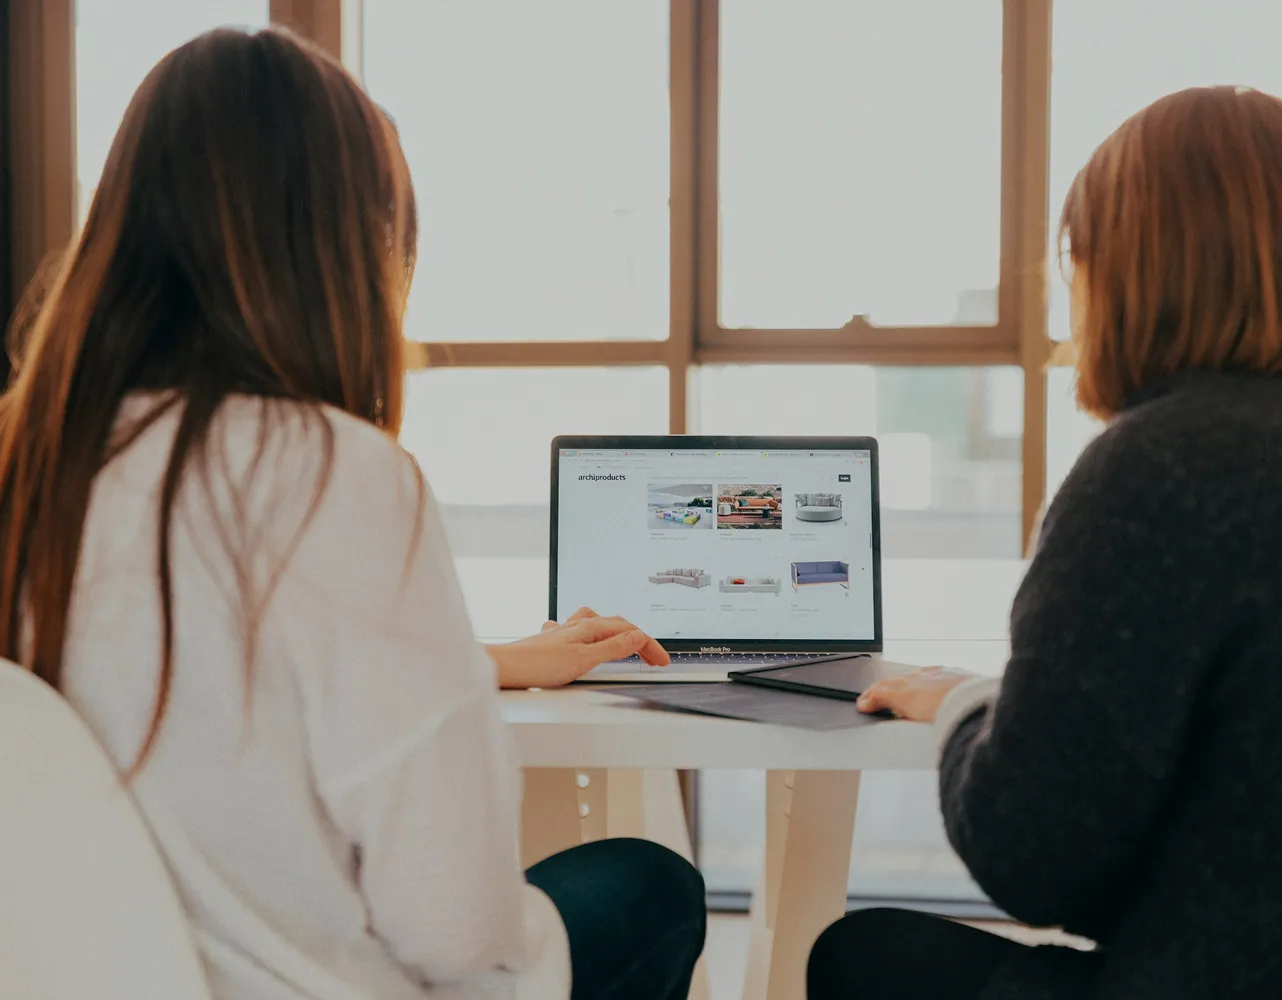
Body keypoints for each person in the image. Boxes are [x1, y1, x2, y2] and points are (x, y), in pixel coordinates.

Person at [0, 26, 703, 1000]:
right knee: (650, 884)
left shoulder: (27, 456)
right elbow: (454, 928)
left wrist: (480, 660)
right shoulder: (334, 473)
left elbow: (186, 673)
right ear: (348, 250)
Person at [808, 85, 1282, 1000]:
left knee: (860, 959)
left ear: (1128, 268)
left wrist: (965, 710)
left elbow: (1036, 859)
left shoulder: (1162, 469)